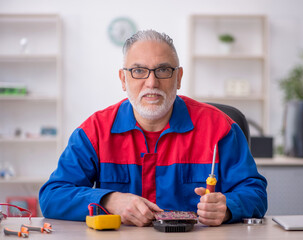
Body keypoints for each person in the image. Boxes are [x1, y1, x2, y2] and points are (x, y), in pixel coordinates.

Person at [39, 30, 267, 227]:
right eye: (139, 71)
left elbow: (255, 193)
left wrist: (228, 208)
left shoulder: (220, 129)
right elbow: (52, 196)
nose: (151, 82)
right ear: (122, 79)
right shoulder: (95, 131)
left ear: (178, 78)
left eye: (163, 70)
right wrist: (109, 200)